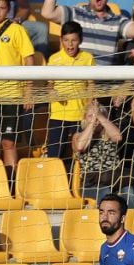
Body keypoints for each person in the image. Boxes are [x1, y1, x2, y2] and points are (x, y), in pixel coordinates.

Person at [0, 0, 35, 174]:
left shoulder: (16, 30)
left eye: (2, 8)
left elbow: (29, 59)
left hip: (11, 94)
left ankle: (11, 184)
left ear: (8, 9)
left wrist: (29, 90)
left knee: (8, 142)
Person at [41, 0, 134, 65]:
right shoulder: (75, 13)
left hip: (105, 85)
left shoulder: (117, 20)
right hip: (79, 81)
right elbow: (47, 13)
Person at [72, 101, 134, 207]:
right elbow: (80, 147)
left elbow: (118, 137)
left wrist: (99, 115)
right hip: (91, 184)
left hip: (114, 180)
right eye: (90, 116)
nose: (95, 119)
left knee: (129, 192)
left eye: (97, 116)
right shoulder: (77, 136)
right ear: (84, 119)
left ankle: (130, 221)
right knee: (106, 193)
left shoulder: (109, 134)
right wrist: (92, 123)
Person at [46, 21, 95, 161]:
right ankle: (55, 182)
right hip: (58, 115)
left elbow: (91, 86)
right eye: (66, 40)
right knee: (54, 156)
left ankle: (76, 182)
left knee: (79, 156)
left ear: (80, 40)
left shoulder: (88, 58)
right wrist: (53, 92)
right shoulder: (54, 59)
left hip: (80, 116)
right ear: (61, 40)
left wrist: (89, 108)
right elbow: (49, 85)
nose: (70, 44)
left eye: (74, 40)